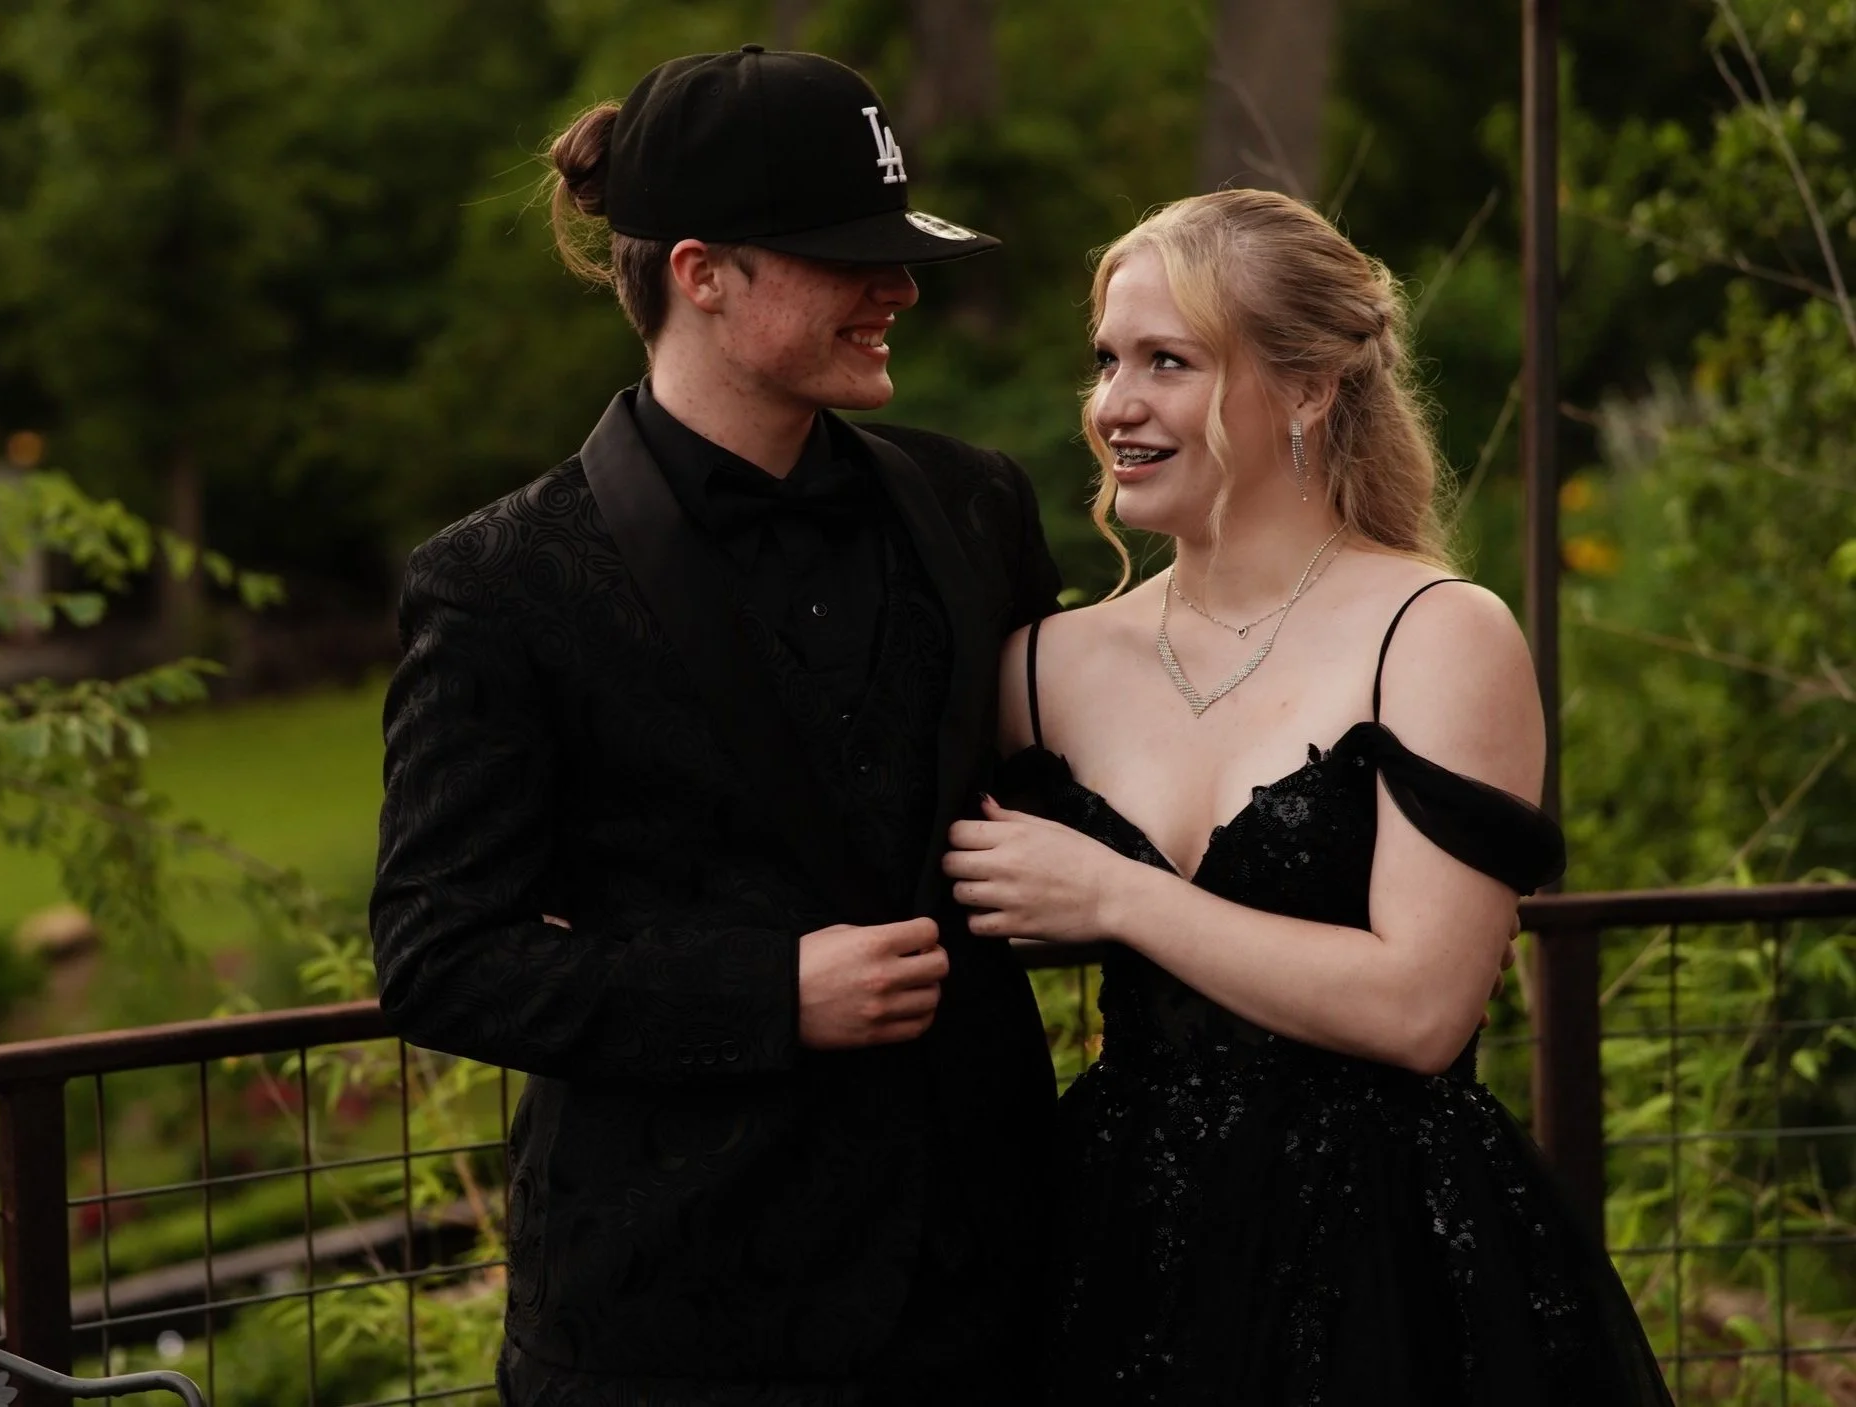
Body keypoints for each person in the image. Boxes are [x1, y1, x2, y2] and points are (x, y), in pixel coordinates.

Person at [369, 47, 1064, 1407]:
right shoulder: (499, 580)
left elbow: (1055, 801)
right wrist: (768, 994)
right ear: (701, 272)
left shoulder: (975, 502)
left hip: (986, 1294)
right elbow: (441, 955)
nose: (901, 290)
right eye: (851, 256)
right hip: (674, 1325)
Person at [944, 189, 1674, 1405]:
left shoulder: (1432, 635)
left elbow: (1421, 1007)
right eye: (1108, 360)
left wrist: (1118, 898)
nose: (1113, 405)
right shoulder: (1041, 669)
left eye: (1167, 362)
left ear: (1306, 389)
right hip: (1115, 1248)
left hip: (1380, 1253)